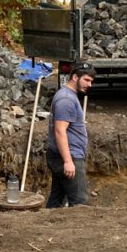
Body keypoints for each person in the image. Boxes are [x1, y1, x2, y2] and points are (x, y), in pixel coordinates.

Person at [46, 61, 96, 207]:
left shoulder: (68, 95)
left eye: (91, 81)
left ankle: (49, 220)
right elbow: (59, 131)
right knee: (80, 203)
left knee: (57, 199)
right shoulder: (66, 100)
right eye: (86, 80)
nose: (89, 84)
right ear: (75, 77)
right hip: (68, 157)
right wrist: (68, 162)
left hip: (62, 156)